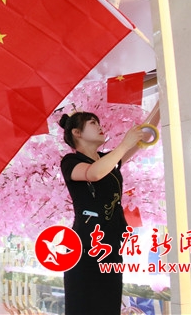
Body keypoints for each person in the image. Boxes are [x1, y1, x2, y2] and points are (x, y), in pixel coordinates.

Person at [58, 111, 150, 314]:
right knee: (84, 308)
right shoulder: (70, 161)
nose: (100, 126)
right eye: (93, 123)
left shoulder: (107, 160)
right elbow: (94, 173)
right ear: (77, 133)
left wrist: (162, 102)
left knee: (109, 307)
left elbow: (145, 134)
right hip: (84, 249)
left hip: (111, 247)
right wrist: (123, 145)